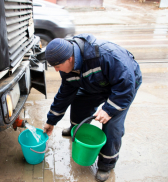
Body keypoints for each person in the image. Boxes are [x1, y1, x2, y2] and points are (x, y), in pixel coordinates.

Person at [43, 33, 142, 181]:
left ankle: (106, 165)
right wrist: (51, 121)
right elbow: (64, 95)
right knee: (79, 103)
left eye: (57, 66)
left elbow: (126, 85)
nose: (57, 70)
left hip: (124, 86)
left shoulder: (106, 55)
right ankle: (77, 130)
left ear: (69, 58)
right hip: (96, 83)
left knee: (112, 125)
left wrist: (109, 109)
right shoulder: (67, 69)